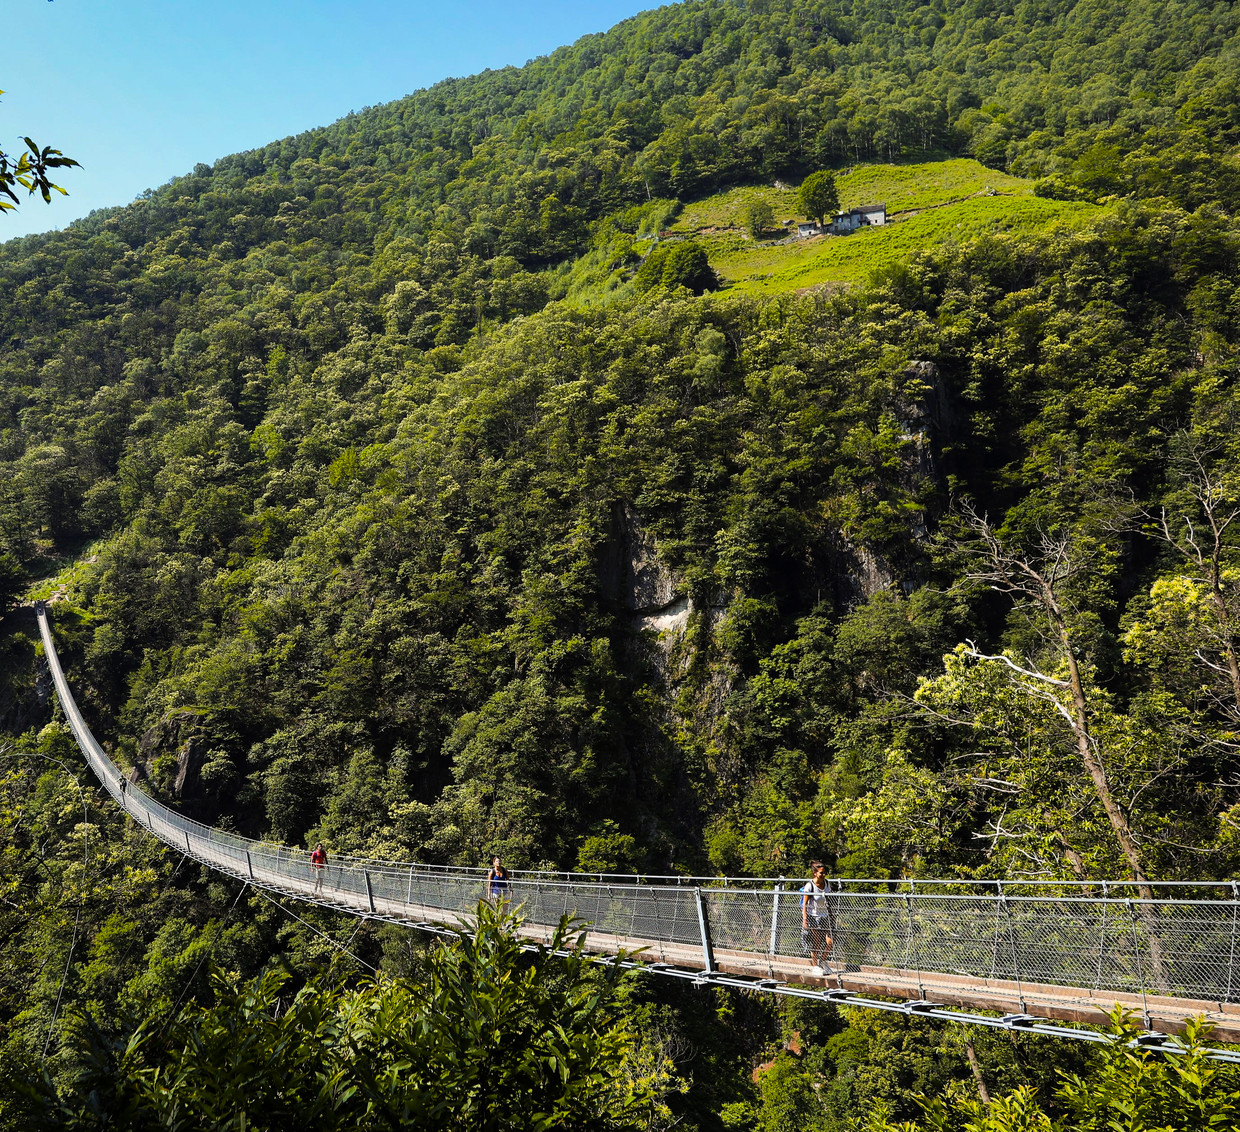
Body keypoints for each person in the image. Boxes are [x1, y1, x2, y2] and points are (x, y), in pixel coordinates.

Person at [801, 860, 836, 976]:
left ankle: (823, 962)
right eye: (821, 873)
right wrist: (805, 919)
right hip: (813, 917)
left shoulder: (826, 883)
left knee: (830, 942)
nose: (823, 874)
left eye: (824, 872)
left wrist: (832, 915)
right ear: (815, 873)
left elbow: (829, 900)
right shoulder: (810, 886)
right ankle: (815, 966)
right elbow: (804, 904)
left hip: (825, 915)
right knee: (817, 942)